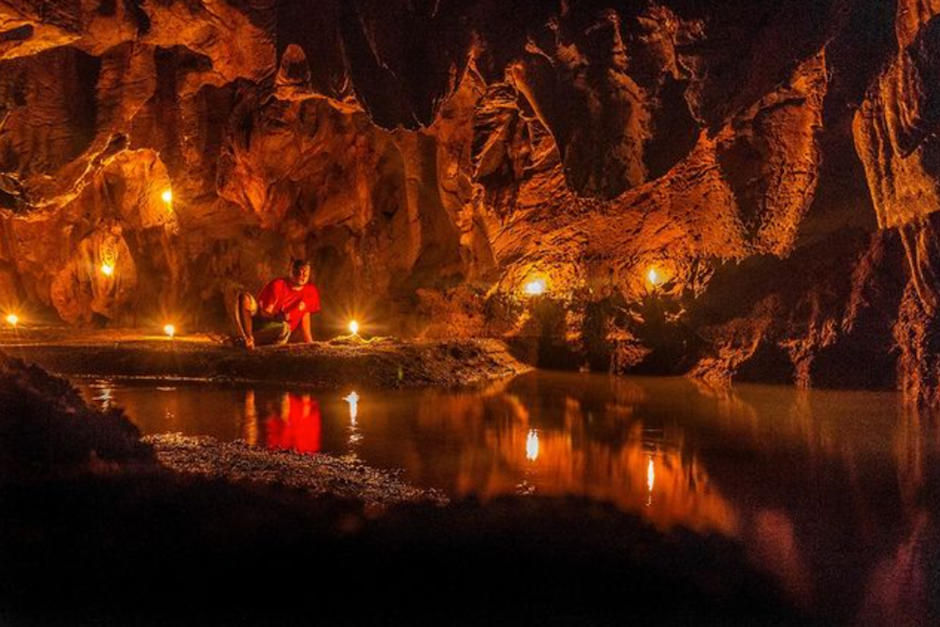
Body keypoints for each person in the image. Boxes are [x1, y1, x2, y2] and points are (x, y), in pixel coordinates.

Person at [234, 258, 320, 350]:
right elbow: (263, 313)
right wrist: (278, 317)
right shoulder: (278, 285)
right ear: (290, 271)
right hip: (262, 325)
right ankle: (247, 338)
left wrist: (309, 342)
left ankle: (245, 342)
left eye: (305, 273)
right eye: (297, 272)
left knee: (284, 328)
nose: (301, 276)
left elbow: (305, 315)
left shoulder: (311, 291)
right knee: (244, 298)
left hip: (281, 331)